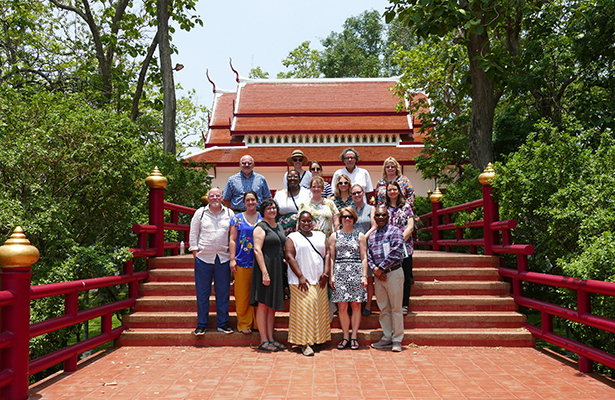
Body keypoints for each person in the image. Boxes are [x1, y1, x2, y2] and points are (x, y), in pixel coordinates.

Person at [189, 187, 235, 335]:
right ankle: (202, 324)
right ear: (208, 198)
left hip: (223, 258)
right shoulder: (200, 213)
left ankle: (223, 323)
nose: (215, 198)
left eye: (217, 195)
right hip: (203, 258)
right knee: (202, 293)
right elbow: (194, 233)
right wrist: (195, 253)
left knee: (223, 292)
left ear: (222, 197)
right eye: (212, 196)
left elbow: (233, 235)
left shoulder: (229, 213)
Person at [285, 211, 332, 356]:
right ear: (299, 221)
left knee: (319, 311)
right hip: (300, 282)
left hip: (319, 281)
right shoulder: (292, 237)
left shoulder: (320, 235)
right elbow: (289, 256)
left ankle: (316, 340)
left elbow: (328, 254)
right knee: (303, 312)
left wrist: (326, 274)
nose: (306, 223)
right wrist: (300, 276)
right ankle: (303, 343)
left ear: (313, 222)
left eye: (309, 221)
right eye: (303, 221)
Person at [251, 198, 287, 352]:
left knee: (272, 306)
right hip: (265, 268)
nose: (272, 210)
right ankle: (263, 339)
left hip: (278, 268)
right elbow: (257, 250)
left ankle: (271, 338)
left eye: (274, 208)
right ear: (263, 211)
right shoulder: (260, 227)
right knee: (263, 304)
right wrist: (264, 272)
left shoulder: (279, 226)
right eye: (268, 208)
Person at [368, 205, 406, 352]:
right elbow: (369, 255)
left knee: (396, 308)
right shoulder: (372, 235)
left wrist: (380, 268)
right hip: (379, 276)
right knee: (383, 308)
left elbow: (396, 250)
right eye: (378, 215)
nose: (381, 217)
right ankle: (386, 337)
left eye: (383, 215)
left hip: (393, 273)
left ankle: (397, 339)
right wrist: (375, 269)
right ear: (375, 217)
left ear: (388, 216)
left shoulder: (395, 231)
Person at [329, 207, 368, 350]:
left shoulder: (360, 235)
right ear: (340, 218)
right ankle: (345, 336)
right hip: (339, 271)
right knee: (342, 306)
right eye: (344, 216)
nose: (347, 219)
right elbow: (332, 258)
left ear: (354, 218)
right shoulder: (334, 236)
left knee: (356, 305)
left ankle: (354, 337)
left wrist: (364, 275)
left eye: (350, 217)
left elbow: (364, 257)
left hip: (356, 270)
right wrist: (331, 275)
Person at [229, 191, 263, 335]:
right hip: (242, 260)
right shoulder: (237, 219)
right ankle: (244, 323)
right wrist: (232, 259)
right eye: (248, 200)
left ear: (257, 201)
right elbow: (232, 239)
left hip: (259, 262)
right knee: (242, 295)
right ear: (244, 202)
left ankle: (257, 323)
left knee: (257, 295)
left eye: (253, 200)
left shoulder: (263, 219)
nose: (250, 202)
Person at [383, 180, 415, 315]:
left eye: (394, 189)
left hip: (404, 245)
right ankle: (391, 304)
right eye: (390, 190)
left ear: (399, 191)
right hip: (388, 247)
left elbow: (410, 226)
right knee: (390, 276)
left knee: (405, 276)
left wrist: (399, 241)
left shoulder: (406, 206)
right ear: (386, 192)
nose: (392, 192)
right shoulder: (383, 207)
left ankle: (404, 304)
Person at [351, 184, 376, 316]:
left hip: (367, 245)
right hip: (353, 246)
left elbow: (374, 226)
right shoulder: (350, 209)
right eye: (354, 193)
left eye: (358, 192)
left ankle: (368, 305)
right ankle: (356, 303)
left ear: (363, 192)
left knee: (369, 276)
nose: (357, 195)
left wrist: (363, 238)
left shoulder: (371, 208)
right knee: (355, 276)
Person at [274, 169, 311, 236]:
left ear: (299, 179)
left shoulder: (307, 193)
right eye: (290, 176)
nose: (292, 178)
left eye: (295, 176)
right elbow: (274, 213)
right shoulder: (279, 194)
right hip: (282, 230)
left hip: (301, 229)